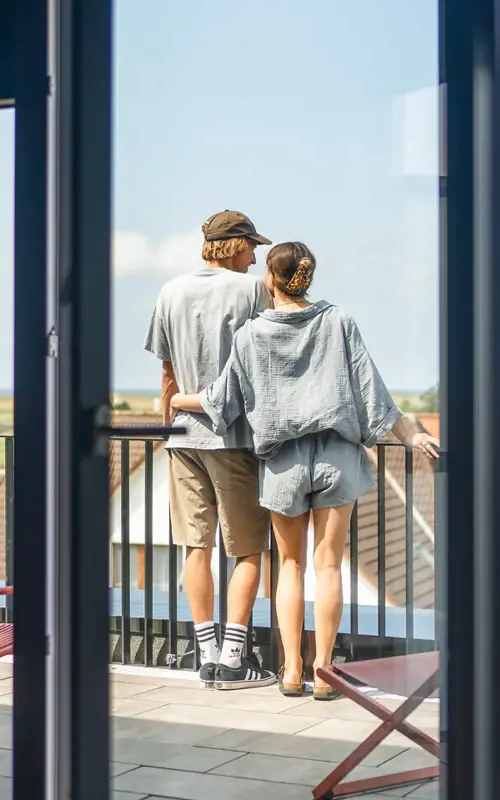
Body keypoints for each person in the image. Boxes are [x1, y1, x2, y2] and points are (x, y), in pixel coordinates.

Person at [170, 241, 440, 699]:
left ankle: (292, 670)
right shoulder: (339, 322)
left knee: (290, 565)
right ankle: (326, 670)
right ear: (307, 277)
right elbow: (375, 395)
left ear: (270, 280)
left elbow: (222, 400)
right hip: (337, 459)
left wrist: (178, 400)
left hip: (282, 463)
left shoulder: (252, 335)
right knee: (329, 565)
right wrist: (411, 436)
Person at [144, 210, 277, 690]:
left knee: (194, 545)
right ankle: (235, 659)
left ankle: (205, 654)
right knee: (248, 549)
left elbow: (167, 375)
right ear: (234, 244)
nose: (257, 254)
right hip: (234, 437)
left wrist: (169, 431)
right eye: (251, 245)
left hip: (183, 436)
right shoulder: (253, 291)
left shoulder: (170, 291)